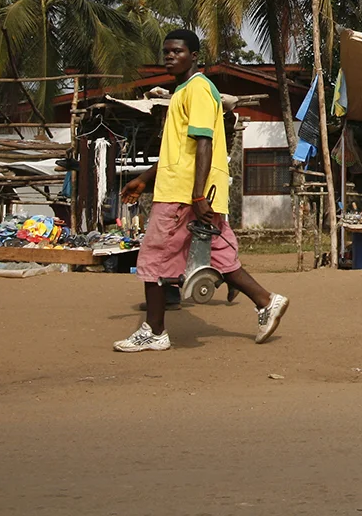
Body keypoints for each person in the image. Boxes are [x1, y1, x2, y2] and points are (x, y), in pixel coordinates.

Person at [114, 30, 289, 351]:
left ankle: (154, 332)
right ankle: (267, 301)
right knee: (220, 257)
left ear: (194, 56)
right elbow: (179, 150)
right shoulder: (183, 91)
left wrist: (196, 195)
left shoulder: (197, 90)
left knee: (152, 258)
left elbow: (204, 143)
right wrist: (144, 179)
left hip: (185, 193)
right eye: (166, 51)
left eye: (177, 51)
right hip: (191, 189)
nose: (169, 56)